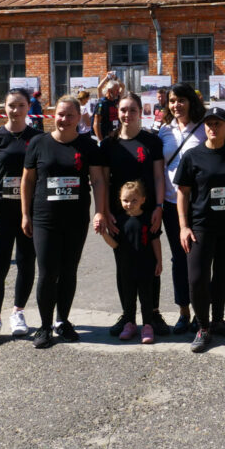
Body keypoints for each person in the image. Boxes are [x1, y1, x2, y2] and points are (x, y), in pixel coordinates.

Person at [21, 95, 107, 349]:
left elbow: (98, 181)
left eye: (70, 115)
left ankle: (63, 321)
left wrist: (100, 211)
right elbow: (27, 180)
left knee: (69, 271)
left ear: (79, 117)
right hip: (44, 218)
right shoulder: (39, 143)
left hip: (76, 218)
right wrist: (25, 214)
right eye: (60, 114)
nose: (64, 119)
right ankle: (45, 326)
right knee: (48, 272)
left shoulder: (88, 145)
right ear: (53, 115)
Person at [175, 106, 225, 352]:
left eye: (218, 124)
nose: (213, 128)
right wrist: (183, 226)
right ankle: (203, 326)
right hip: (200, 227)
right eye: (209, 124)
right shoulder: (192, 156)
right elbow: (182, 193)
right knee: (197, 279)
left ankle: (218, 320)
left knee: (222, 275)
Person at [0, 88, 41, 346]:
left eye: (21, 105)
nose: (16, 110)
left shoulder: (37, 138)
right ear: (4, 107)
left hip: (29, 213)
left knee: (26, 263)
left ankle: (18, 312)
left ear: (28, 107)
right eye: (11, 105)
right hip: (0, 211)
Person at [99, 93, 167, 337]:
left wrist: (159, 206)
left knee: (150, 263)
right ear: (118, 112)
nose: (127, 115)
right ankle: (128, 316)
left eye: (132, 110)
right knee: (124, 264)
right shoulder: (109, 144)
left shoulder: (151, 142)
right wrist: (105, 210)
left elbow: (158, 176)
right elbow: (104, 181)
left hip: (147, 211)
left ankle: (153, 314)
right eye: (123, 110)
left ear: (140, 112)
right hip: (119, 214)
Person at [157, 83, 207, 333]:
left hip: (198, 205)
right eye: (172, 101)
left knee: (198, 260)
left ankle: (201, 313)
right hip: (170, 204)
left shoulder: (203, 128)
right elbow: (159, 167)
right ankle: (183, 312)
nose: (176, 105)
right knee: (179, 259)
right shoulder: (164, 130)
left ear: (191, 101)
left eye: (181, 100)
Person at [100, 180, 163, 344]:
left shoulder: (149, 218)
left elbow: (155, 240)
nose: (129, 204)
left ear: (143, 199)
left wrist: (159, 261)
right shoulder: (118, 221)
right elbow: (115, 244)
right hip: (126, 267)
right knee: (128, 297)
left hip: (146, 266)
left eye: (134, 200)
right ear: (120, 200)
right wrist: (104, 234)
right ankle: (130, 324)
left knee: (146, 297)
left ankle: (147, 326)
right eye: (125, 200)